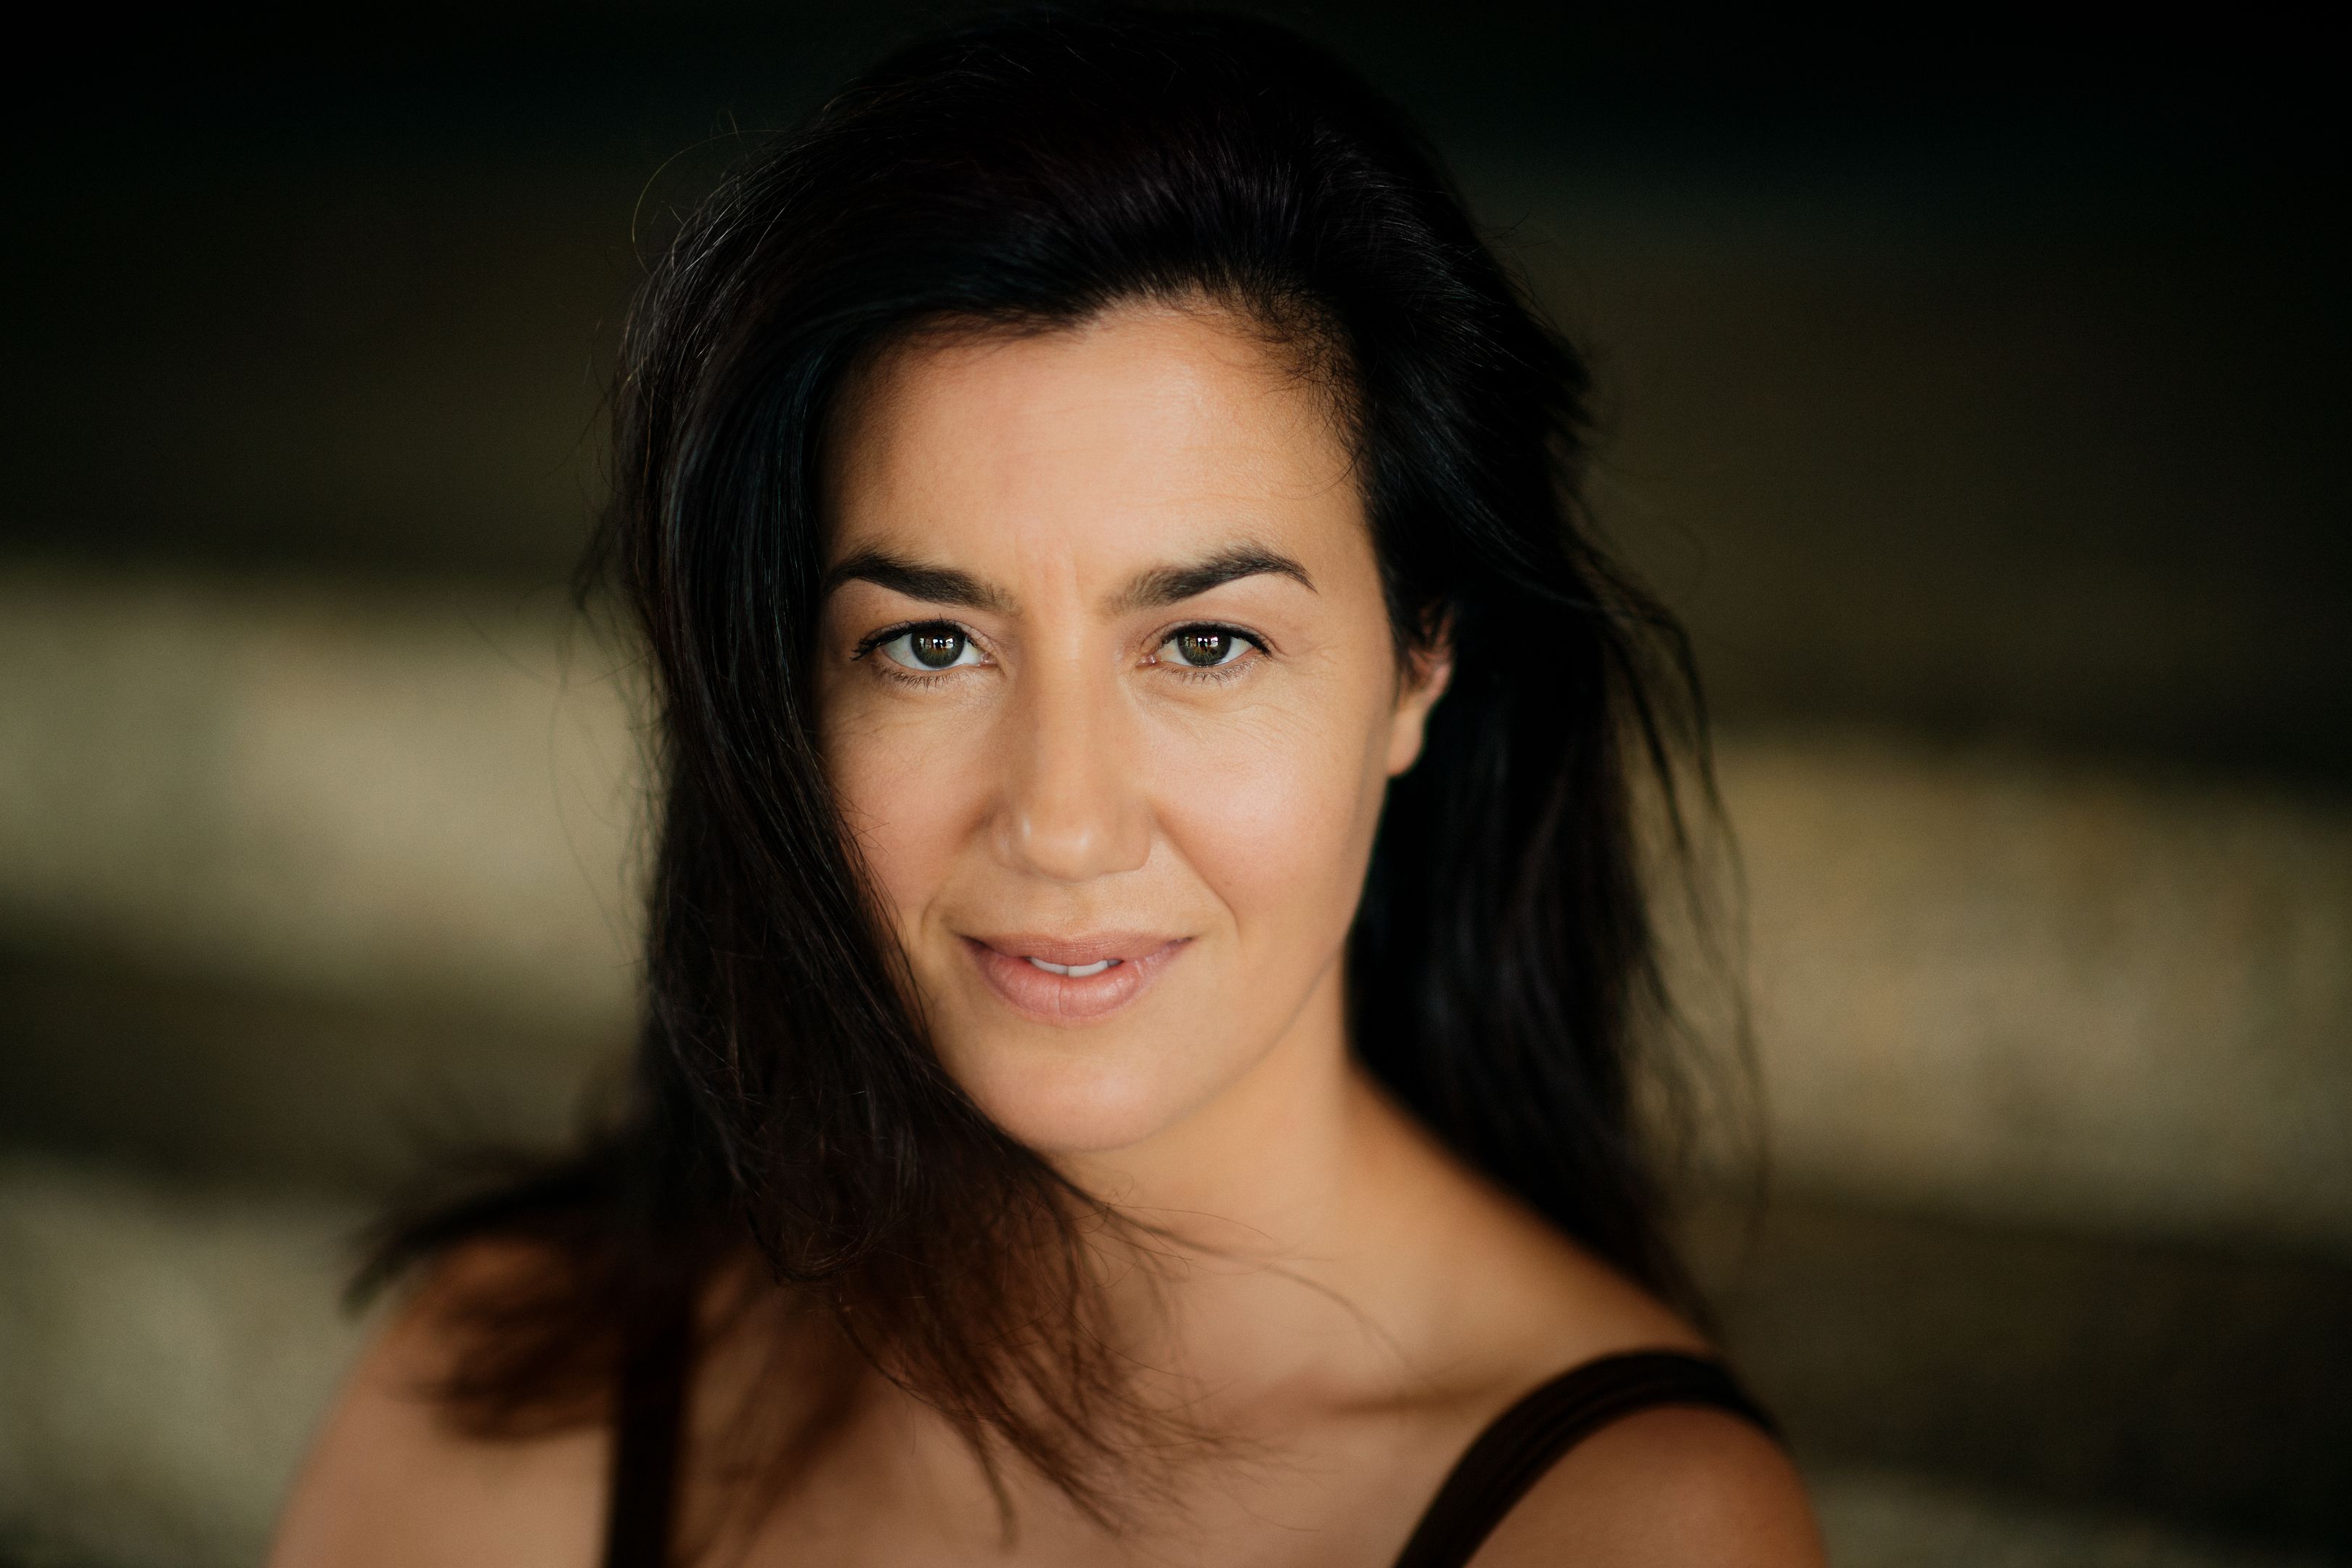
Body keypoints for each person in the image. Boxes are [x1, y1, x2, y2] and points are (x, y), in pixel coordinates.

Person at [269, 8, 1823, 1564]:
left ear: (1421, 664)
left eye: (1205, 643)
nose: (1064, 824)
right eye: (933, 644)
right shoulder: (527, 1389)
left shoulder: (1631, 1525)